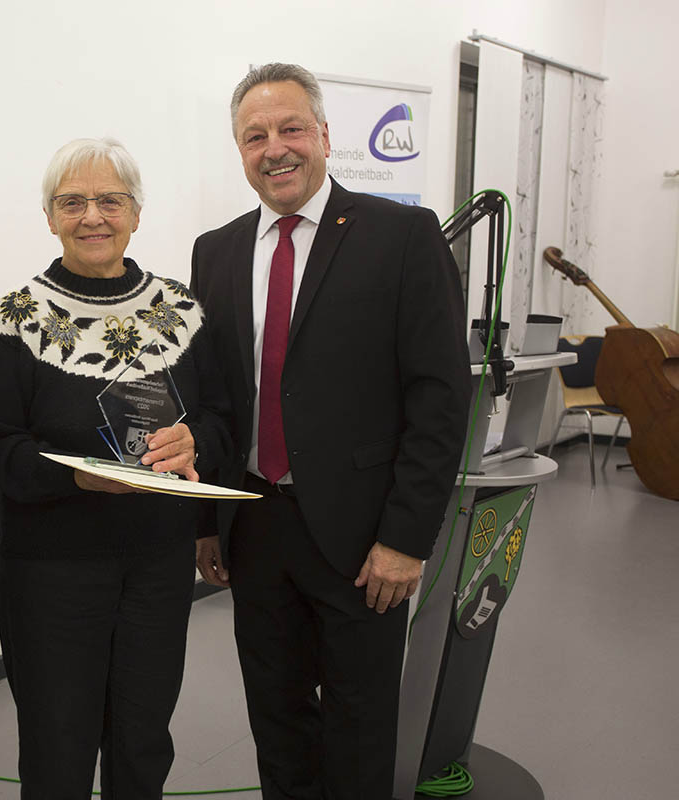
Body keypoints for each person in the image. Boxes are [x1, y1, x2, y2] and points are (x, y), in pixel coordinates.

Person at [190, 64, 471, 799]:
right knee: (276, 718)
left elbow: (441, 399)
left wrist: (407, 538)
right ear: (239, 149)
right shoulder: (215, 251)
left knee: (358, 724)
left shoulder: (402, 236)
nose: (274, 148)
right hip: (252, 527)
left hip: (364, 538)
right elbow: (212, 401)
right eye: (255, 136)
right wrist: (204, 521)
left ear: (323, 135)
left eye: (289, 129)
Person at [0, 137, 233, 799]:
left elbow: (220, 420)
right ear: (50, 216)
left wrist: (194, 445)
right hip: (50, 573)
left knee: (144, 739)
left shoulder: (181, 312)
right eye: (73, 203)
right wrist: (73, 476)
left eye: (109, 201)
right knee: (58, 746)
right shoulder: (16, 319)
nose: (93, 216)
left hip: (157, 564)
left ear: (136, 214)